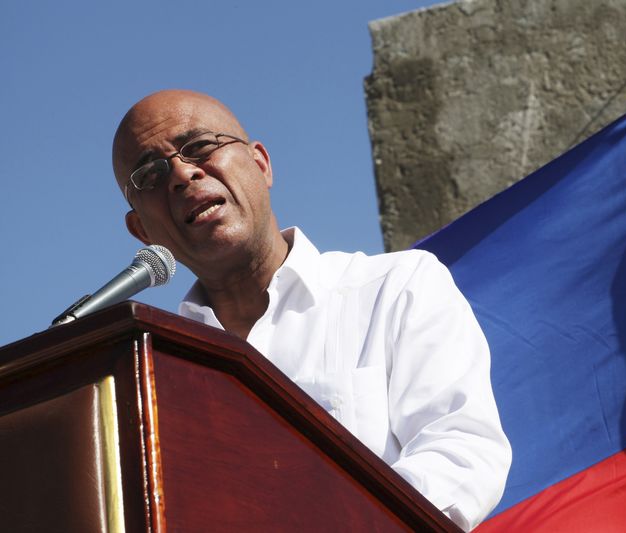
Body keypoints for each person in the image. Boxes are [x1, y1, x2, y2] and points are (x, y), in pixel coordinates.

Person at [112, 89, 511, 530]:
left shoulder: (395, 288)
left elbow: (461, 451)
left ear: (261, 164)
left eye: (200, 147)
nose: (182, 175)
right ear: (142, 230)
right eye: (149, 174)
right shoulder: (150, 377)